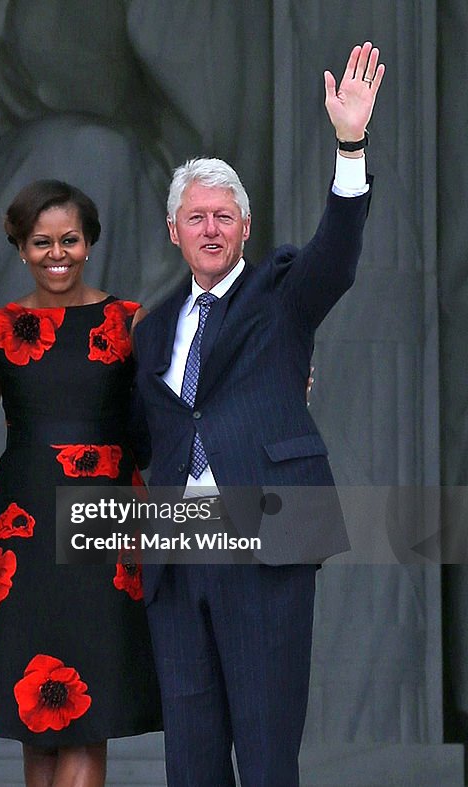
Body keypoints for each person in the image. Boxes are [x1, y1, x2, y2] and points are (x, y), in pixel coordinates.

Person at [131, 42, 385, 786]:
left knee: (269, 753)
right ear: (173, 230)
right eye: (195, 216)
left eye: (224, 216)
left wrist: (349, 144)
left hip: (265, 539)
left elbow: (337, 255)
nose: (210, 228)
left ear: (245, 228)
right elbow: (139, 434)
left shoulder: (282, 291)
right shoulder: (151, 330)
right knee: (192, 759)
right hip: (178, 554)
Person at [0, 180, 161, 786]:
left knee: (88, 717)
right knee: (38, 724)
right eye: (40, 242)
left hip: (107, 534)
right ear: (20, 246)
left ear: (90, 243)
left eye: (69, 240)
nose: (56, 253)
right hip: (23, 532)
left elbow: (169, 424)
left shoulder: (132, 322)